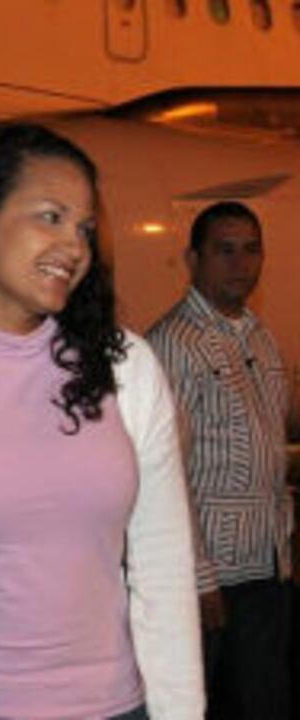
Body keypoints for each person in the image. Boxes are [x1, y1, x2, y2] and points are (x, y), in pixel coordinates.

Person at [0, 124, 203, 719]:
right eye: (50, 216)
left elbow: (162, 567)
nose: (73, 246)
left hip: (117, 706)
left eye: (85, 229)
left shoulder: (126, 368)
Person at [146, 200, 293, 719]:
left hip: (266, 563)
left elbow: (269, 449)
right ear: (193, 259)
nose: (241, 264)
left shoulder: (260, 336)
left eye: (251, 250)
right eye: (224, 250)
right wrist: (200, 576)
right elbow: (163, 473)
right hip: (212, 579)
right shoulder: (172, 344)